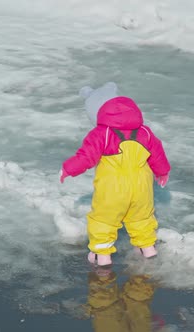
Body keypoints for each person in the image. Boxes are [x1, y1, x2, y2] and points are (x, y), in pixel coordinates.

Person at [60, 82, 171, 267]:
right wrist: (162, 171)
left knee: (104, 219)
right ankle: (148, 249)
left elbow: (86, 157)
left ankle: (102, 257)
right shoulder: (145, 132)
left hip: (113, 189)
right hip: (142, 187)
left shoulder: (101, 134)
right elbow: (157, 153)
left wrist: (68, 169)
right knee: (142, 217)